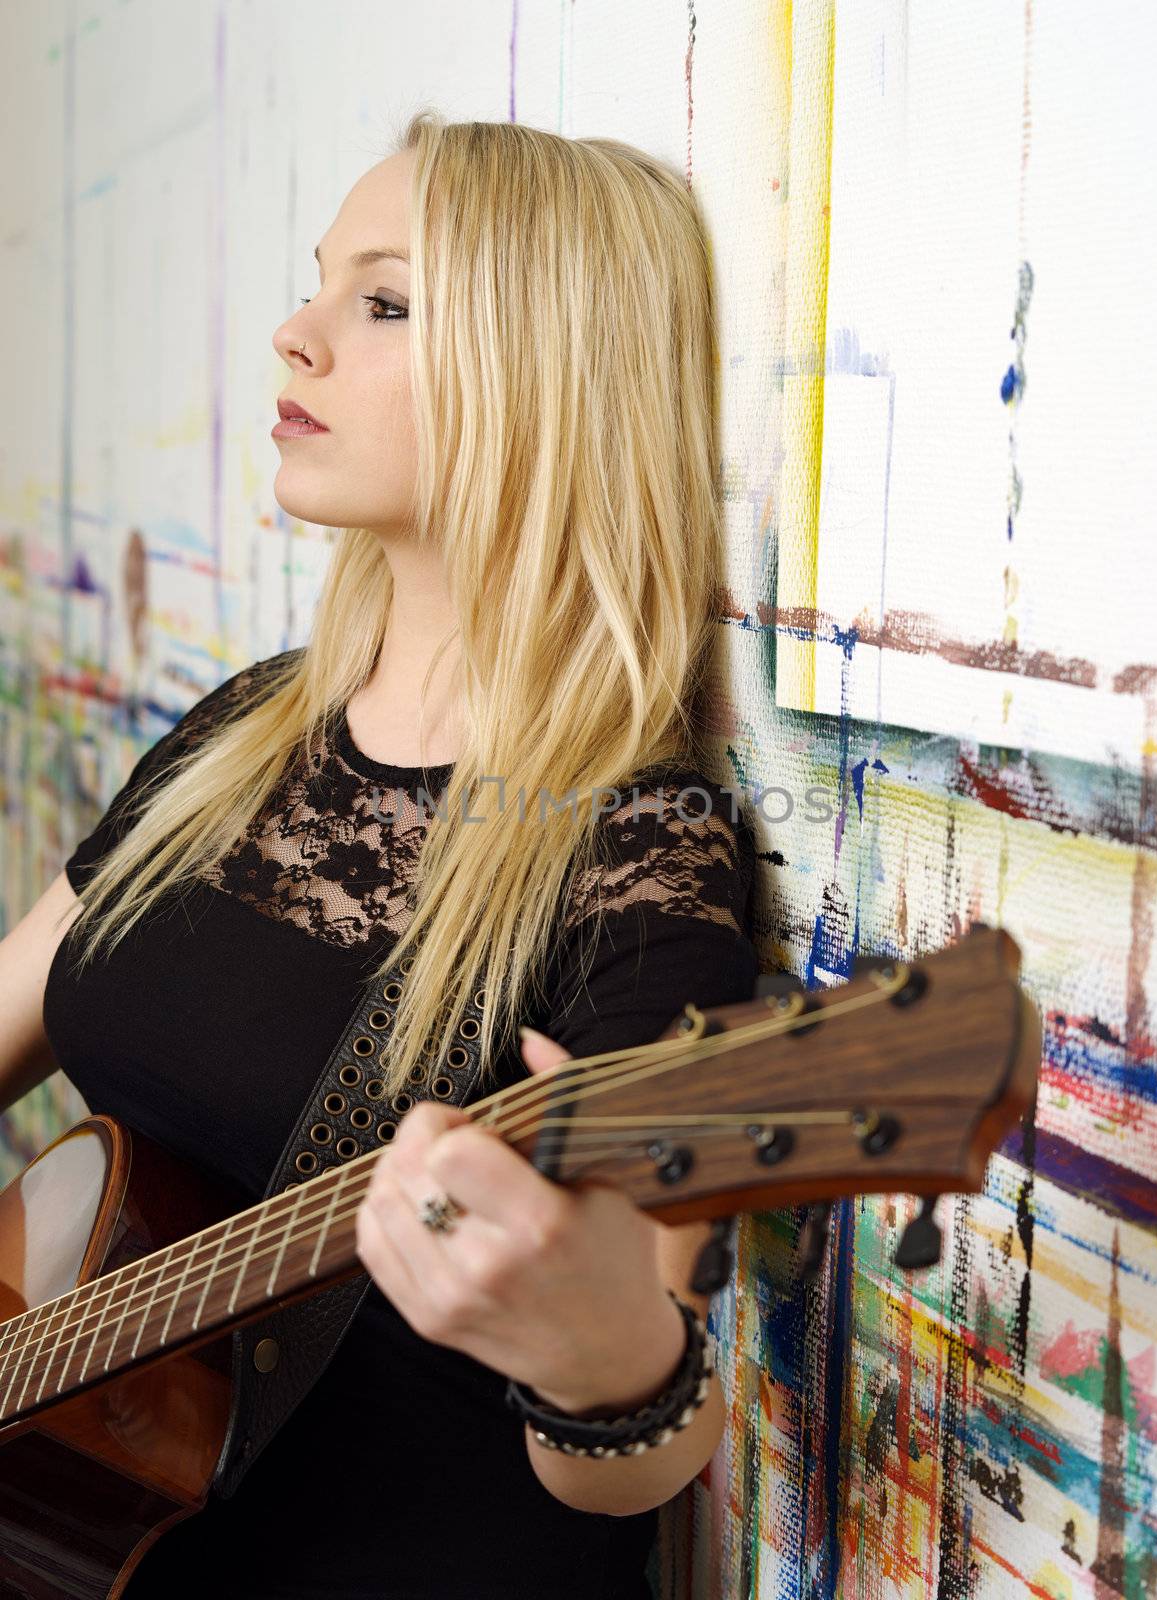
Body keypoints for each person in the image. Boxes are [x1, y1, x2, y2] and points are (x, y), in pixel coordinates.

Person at [0, 111, 758, 1598]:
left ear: (547, 374)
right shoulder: (246, 736)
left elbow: (643, 1467)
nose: (293, 337)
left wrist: (612, 1363)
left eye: (385, 300)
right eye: (315, 285)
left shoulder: (638, 859)